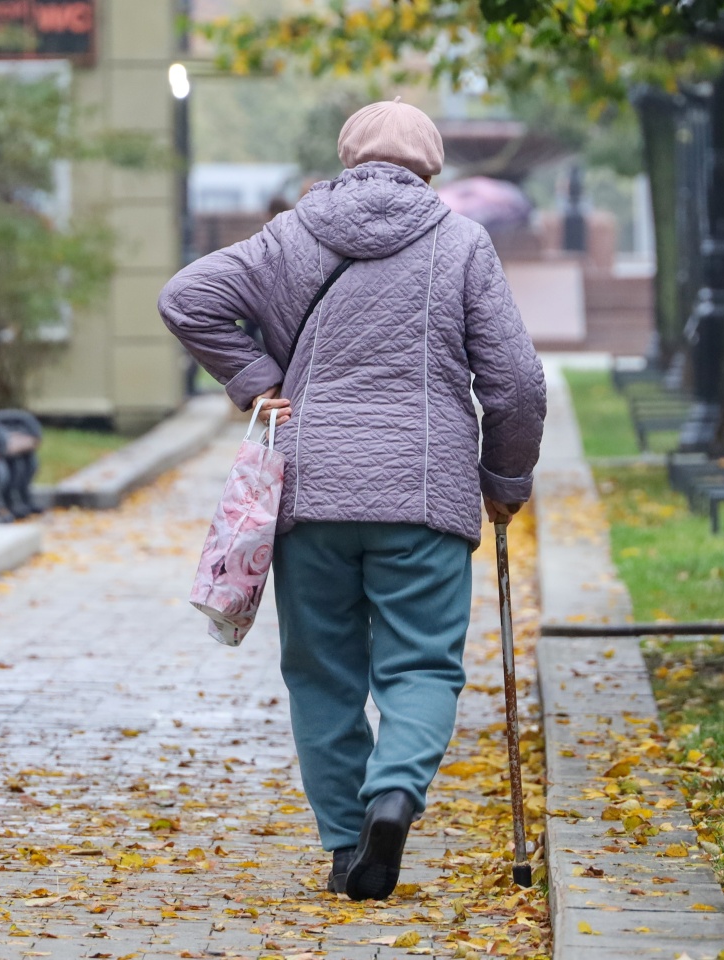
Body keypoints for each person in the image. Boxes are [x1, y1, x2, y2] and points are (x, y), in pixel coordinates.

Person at [158, 99, 546, 901]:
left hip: (313, 492)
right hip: (425, 494)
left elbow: (187, 298)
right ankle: (395, 795)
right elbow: (515, 384)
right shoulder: (461, 243)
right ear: (431, 166)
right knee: (422, 664)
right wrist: (505, 484)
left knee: (321, 670)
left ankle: (345, 845)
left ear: (346, 157)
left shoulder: (291, 236)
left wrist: (258, 380)